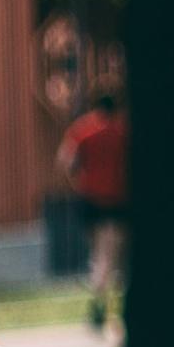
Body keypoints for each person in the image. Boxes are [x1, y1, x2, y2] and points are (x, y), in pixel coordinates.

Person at [57, 88, 128, 331]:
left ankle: (100, 299)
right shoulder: (121, 130)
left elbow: (65, 162)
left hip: (89, 201)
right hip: (115, 202)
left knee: (99, 254)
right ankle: (103, 303)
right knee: (109, 255)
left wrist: (78, 184)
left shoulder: (83, 130)